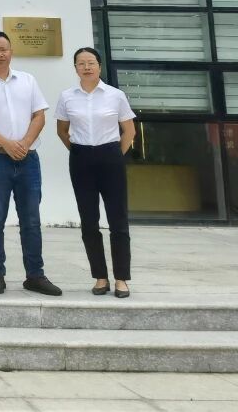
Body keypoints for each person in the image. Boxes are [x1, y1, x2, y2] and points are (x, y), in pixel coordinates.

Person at [0, 31, 62, 297]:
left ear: (11, 51)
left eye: (3, 49)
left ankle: (35, 275)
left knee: (31, 219)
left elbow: (39, 115)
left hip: (28, 159)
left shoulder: (28, 80)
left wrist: (25, 143)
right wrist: (7, 144)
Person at [56, 47, 136, 298]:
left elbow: (129, 131)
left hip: (111, 156)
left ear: (99, 66)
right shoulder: (67, 97)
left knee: (118, 220)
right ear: (75, 68)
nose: (87, 67)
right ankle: (100, 277)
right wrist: (79, 152)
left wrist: (115, 155)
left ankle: (121, 278)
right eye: (81, 63)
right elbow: (62, 131)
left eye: (91, 62)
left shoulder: (115, 95)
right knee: (89, 221)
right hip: (81, 158)